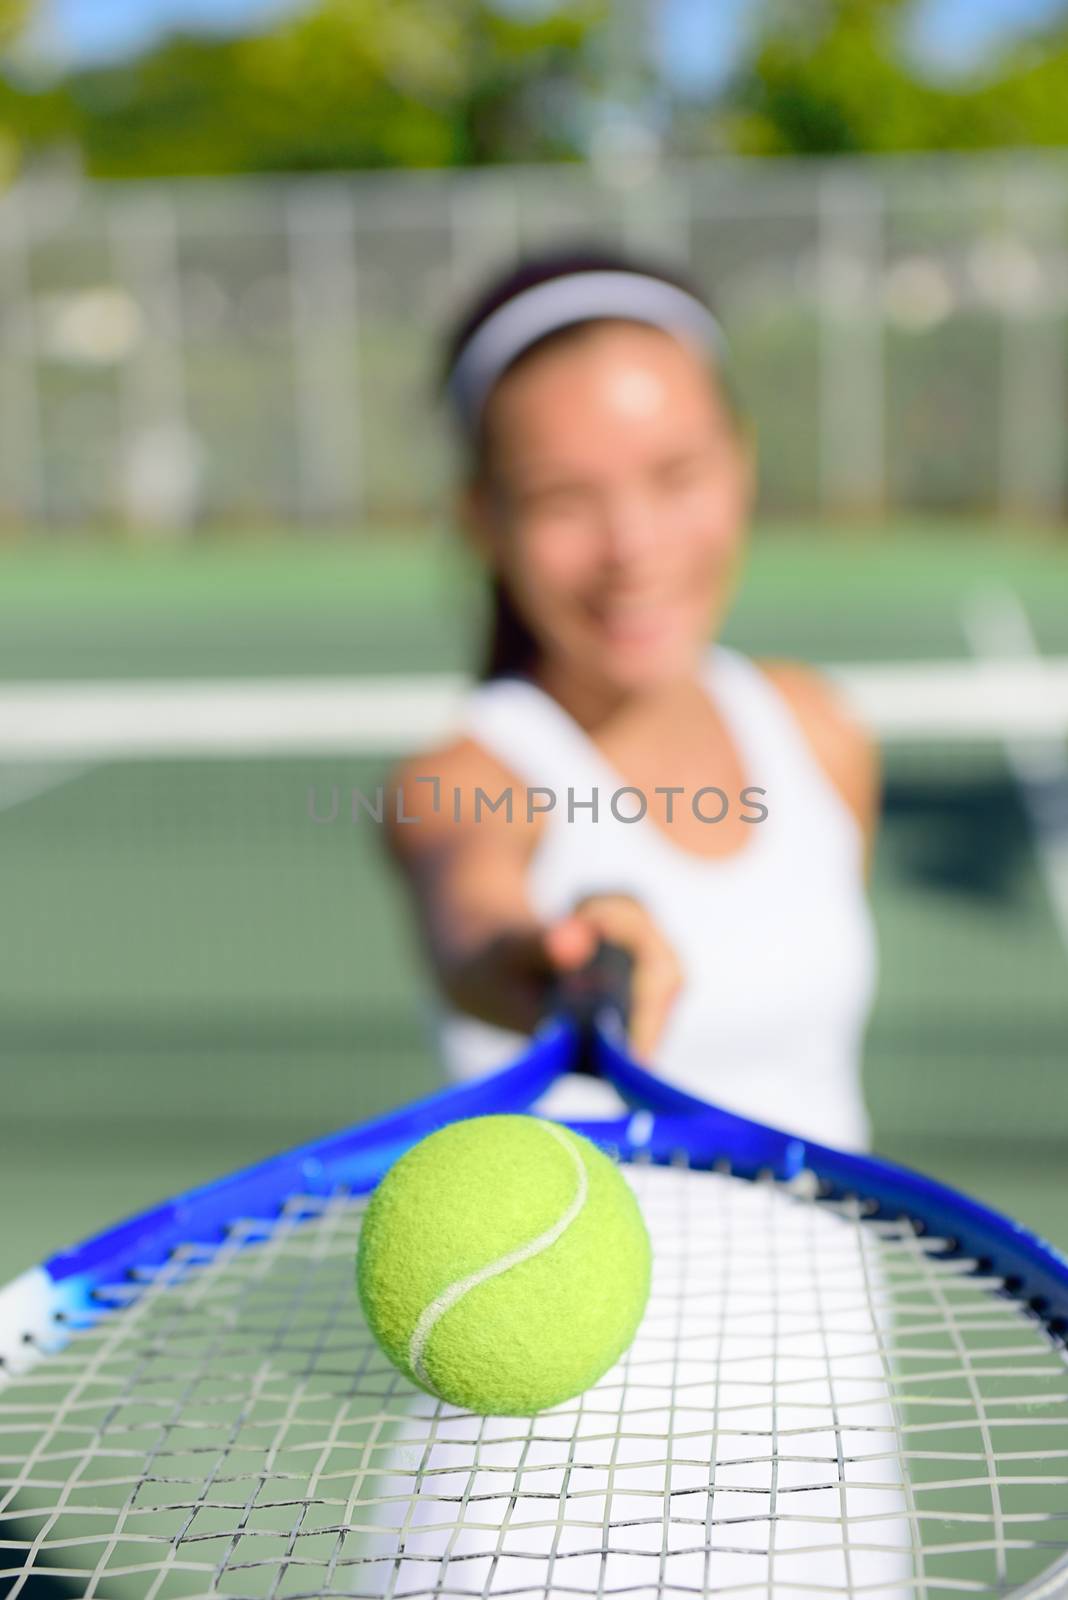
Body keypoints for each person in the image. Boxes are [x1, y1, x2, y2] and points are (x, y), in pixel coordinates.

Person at [385, 244, 880, 1151]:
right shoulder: (457, 778)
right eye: (562, 499)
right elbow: (477, 933)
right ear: (483, 522)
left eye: (676, 476)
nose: (633, 547)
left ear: (743, 466)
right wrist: (549, 961)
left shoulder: (822, 730)